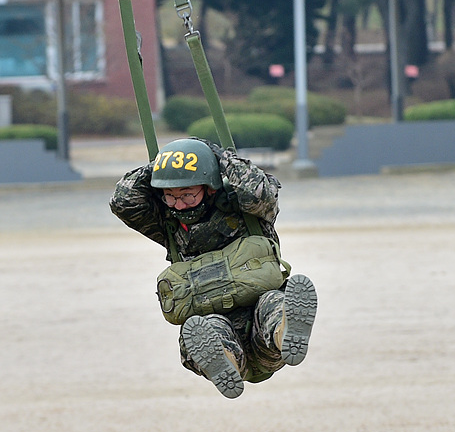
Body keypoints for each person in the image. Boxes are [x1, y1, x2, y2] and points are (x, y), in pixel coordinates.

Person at [109, 137, 317, 398]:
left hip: (262, 333)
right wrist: (160, 168)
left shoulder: (248, 210)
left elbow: (260, 190)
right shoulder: (168, 224)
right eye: (170, 196)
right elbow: (123, 201)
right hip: (220, 329)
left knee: (273, 303)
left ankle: (285, 332)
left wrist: (218, 157)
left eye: (187, 194)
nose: (179, 204)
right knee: (202, 328)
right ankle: (224, 359)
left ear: (209, 187)